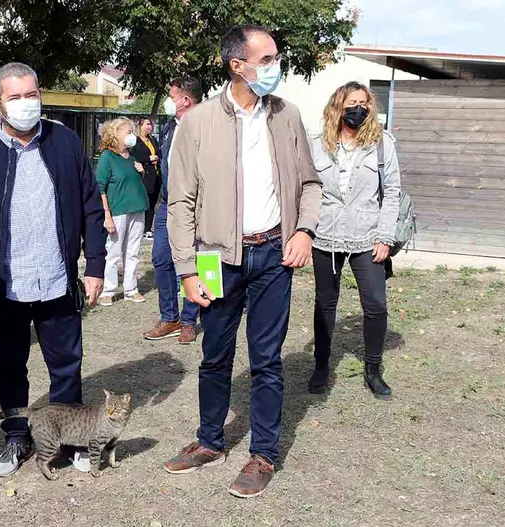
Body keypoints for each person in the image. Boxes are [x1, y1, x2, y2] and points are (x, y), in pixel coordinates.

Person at [162, 25, 322, 498]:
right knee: (215, 356)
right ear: (238, 65)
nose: (277, 66)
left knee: (267, 360)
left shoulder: (287, 116)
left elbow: (311, 184)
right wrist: (188, 270)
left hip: (275, 254)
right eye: (268, 58)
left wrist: (304, 230)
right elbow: (180, 203)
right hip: (216, 258)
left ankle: (263, 454)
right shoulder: (198, 123)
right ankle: (210, 441)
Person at [0, 62, 107, 478]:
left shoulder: (65, 142)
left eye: (31, 94)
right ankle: (17, 435)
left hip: (56, 279)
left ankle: (69, 440)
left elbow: (91, 205)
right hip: (5, 285)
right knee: (12, 366)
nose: (25, 103)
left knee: (66, 362)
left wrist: (94, 265)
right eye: (15, 97)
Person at [308, 82, 400, 399]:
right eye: (351, 103)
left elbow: (392, 195)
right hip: (326, 236)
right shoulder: (318, 145)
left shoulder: (382, 144)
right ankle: (321, 366)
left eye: (363, 102)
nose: (358, 108)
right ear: (338, 106)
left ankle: (373, 370)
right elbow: (308, 190)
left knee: (375, 304)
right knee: (325, 303)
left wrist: (385, 237)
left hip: (368, 236)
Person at [143, 77, 204, 344]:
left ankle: (189, 320)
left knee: (192, 262)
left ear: (185, 100)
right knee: (161, 259)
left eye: (172, 95)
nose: (169, 101)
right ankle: (170, 318)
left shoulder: (205, 126)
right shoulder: (170, 127)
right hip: (168, 205)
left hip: (195, 207)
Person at [97, 117, 151, 306]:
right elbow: (100, 187)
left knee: (133, 251)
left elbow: (132, 181)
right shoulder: (107, 157)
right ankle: (108, 290)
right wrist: (107, 215)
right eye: (128, 132)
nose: (132, 135)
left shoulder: (132, 156)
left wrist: (142, 171)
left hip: (137, 207)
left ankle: (131, 289)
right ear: (115, 134)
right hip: (118, 210)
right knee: (113, 251)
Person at [130, 117, 160, 237]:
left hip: (155, 175)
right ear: (140, 126)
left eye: (150, 125)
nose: (149, 127)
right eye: (147, 124)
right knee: (145, 201)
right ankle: (141, 227)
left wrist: (156, 158)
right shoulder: (136, 142)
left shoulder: (152, 140)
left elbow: (157, 153)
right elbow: (135, 157)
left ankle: (148, 227)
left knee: (152, 202)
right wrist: (148, 159)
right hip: (144, 175)